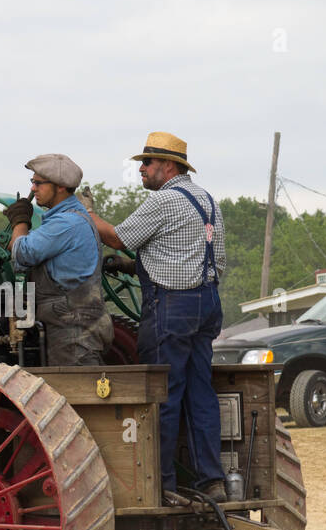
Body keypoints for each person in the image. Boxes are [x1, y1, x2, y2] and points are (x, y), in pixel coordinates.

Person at [86, 132, 228, 502]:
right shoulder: (207, 201)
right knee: (200, 393)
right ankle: (211, 481)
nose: (141, 169)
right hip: (208, 303)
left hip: (172, 309)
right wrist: (135, 267)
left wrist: (85, 215)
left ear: (168, 167)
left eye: (146, 163)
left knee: (162, 394)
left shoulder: (164, 202)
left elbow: (116, 238)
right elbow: (186, 256)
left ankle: (161, 485)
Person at [0, 154, 112, 365]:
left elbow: (23, 252)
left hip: (73, 331)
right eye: (32, 183)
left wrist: (20, 221)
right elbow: (34, 245)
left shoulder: (66, 223)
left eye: (38, 183)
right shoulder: (68, 218)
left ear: (60, 186)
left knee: (76, 392)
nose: (33, 188)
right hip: (73, 325)